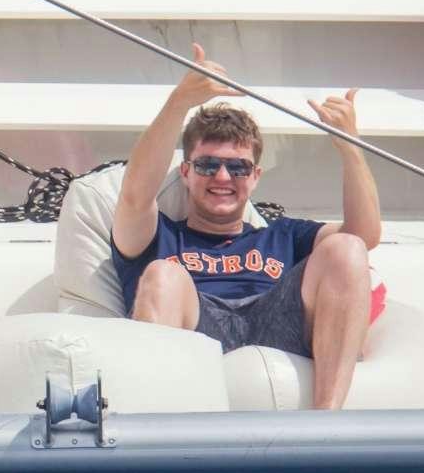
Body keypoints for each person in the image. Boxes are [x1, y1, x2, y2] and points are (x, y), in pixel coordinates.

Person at [111, 44, 382, 410]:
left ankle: (325, 430)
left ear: (254, 177)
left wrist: (349, 146)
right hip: (195, 327)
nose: (223, 177)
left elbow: (365, 235)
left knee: (348, 249)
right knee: (162, 274)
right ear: (186, 172)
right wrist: (178, 104)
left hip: (276, 322)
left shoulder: (284, 236)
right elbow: (133, 198)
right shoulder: (157, 237)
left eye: (237, 168)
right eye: (208, 165)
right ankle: (162, 443)